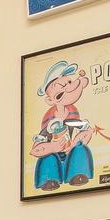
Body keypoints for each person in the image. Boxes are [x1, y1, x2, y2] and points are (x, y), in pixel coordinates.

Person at [30, 59, 95, 190]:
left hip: (69, 155)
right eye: (61, 91)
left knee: (80, 150)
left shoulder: (72, 119)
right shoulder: (48, 127)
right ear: (50, 100)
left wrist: (76, 142)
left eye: (69, 83)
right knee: (48, 158)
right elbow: (35, 150)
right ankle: (49, 180)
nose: (68, 88)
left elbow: (88, 131)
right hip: (55, 156)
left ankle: (77, 174)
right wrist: (52, 147)